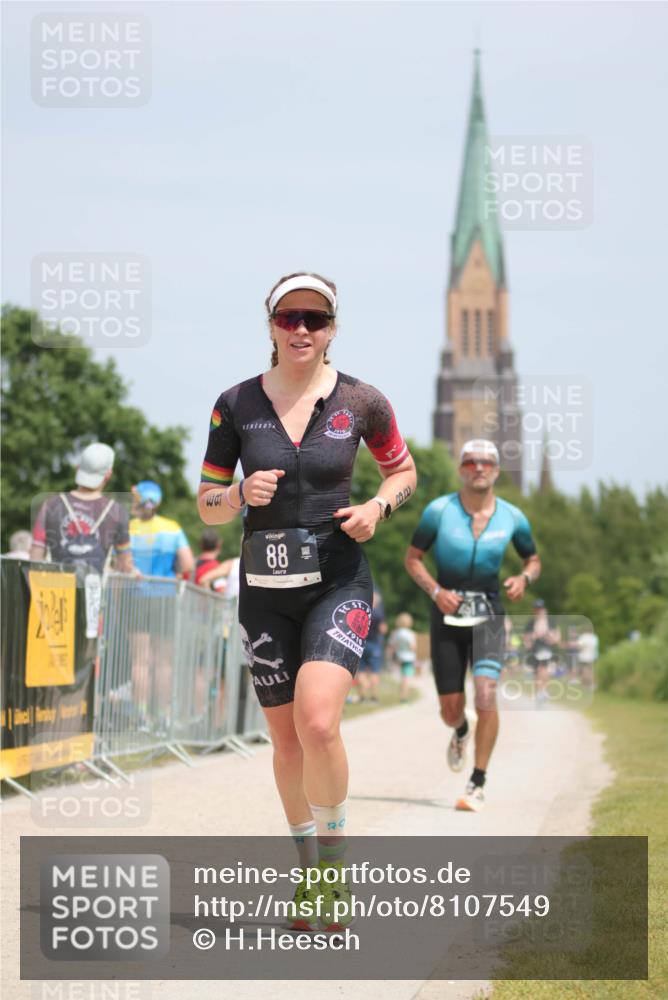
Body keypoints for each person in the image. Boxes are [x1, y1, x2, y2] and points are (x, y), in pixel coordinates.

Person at [197, 271, 416, 930]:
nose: (301, 330)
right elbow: (205, 505)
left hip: (337, 580)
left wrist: (379, 506)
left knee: (319, 724)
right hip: (264, 592)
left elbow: (402, 470)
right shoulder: (234, 405)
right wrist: (237, 496)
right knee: (287, 744)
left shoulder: (363, 401)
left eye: (314, 320)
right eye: (289, 317)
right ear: (270, 325)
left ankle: (334, 870)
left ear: (332, 329)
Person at [404, 439, 541, 813]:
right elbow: (413, 559)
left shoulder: (512, 516)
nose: (478, 468)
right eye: (470, 462)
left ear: (496, 470)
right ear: (461, 469)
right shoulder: (438, 511)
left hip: (491, 613)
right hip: (446, 612)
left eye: (486, 462)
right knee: (451, 709)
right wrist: (436, 592)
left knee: (485, 693)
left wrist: (523, 580)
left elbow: (532, 559)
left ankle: (477, 782)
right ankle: (460, 731)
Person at [30, 443, 133, 574]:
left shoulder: (51, 504)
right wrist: (133, 571)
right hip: (94, 591)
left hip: (55, 590)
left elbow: (35, 555)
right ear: (108, 475)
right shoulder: (117, 512)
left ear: (78, 468)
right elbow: (125, 565)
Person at [129, 480, 194, 579]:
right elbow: (188, 565)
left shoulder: (128, 527)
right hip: (166, 591)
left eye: (134, 499)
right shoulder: (173, 528)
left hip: (132, 591)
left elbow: (120, 563)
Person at [523, 599, 561, 705]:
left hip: (546, 649)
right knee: (537, 673)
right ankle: (540, 692)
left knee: (543, 670)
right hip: (534, 650)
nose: (538, 611)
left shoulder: (550, 622)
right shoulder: (531, 622)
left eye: (540, 609)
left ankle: (542, 691)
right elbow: (526, 638)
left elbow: (557, 637)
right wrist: (532, 637)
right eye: (536, 609)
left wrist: (549, 635)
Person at [356, 588, 388, 704]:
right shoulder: (379, 614)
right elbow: (383, 630)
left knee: (361, 671)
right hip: (374, 645)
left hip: (361, 645)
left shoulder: (361, 611)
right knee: (374, 671)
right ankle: (374, 697)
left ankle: (362, 696)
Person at [194, 528, 236, 593]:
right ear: (218, 545)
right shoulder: (216, 568)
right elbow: (221, 590)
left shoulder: (191, 564)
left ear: (201, 545)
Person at [388, 612, 417, 703]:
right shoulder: (410, 634)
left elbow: (392, 645)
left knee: (402, 677)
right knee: (407, 678)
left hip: (399, 657)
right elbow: (413, 647)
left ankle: (402, 694)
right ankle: (404, 697)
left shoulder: (396, 633)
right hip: (408, 657)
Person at [577, 625, 599, 691]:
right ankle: (592, 684)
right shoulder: (594, 637)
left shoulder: (583, 637)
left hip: (584, 656)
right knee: (591, 670)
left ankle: (585, 685)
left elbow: (580, 647)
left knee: (584, 670)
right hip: (592, 656)